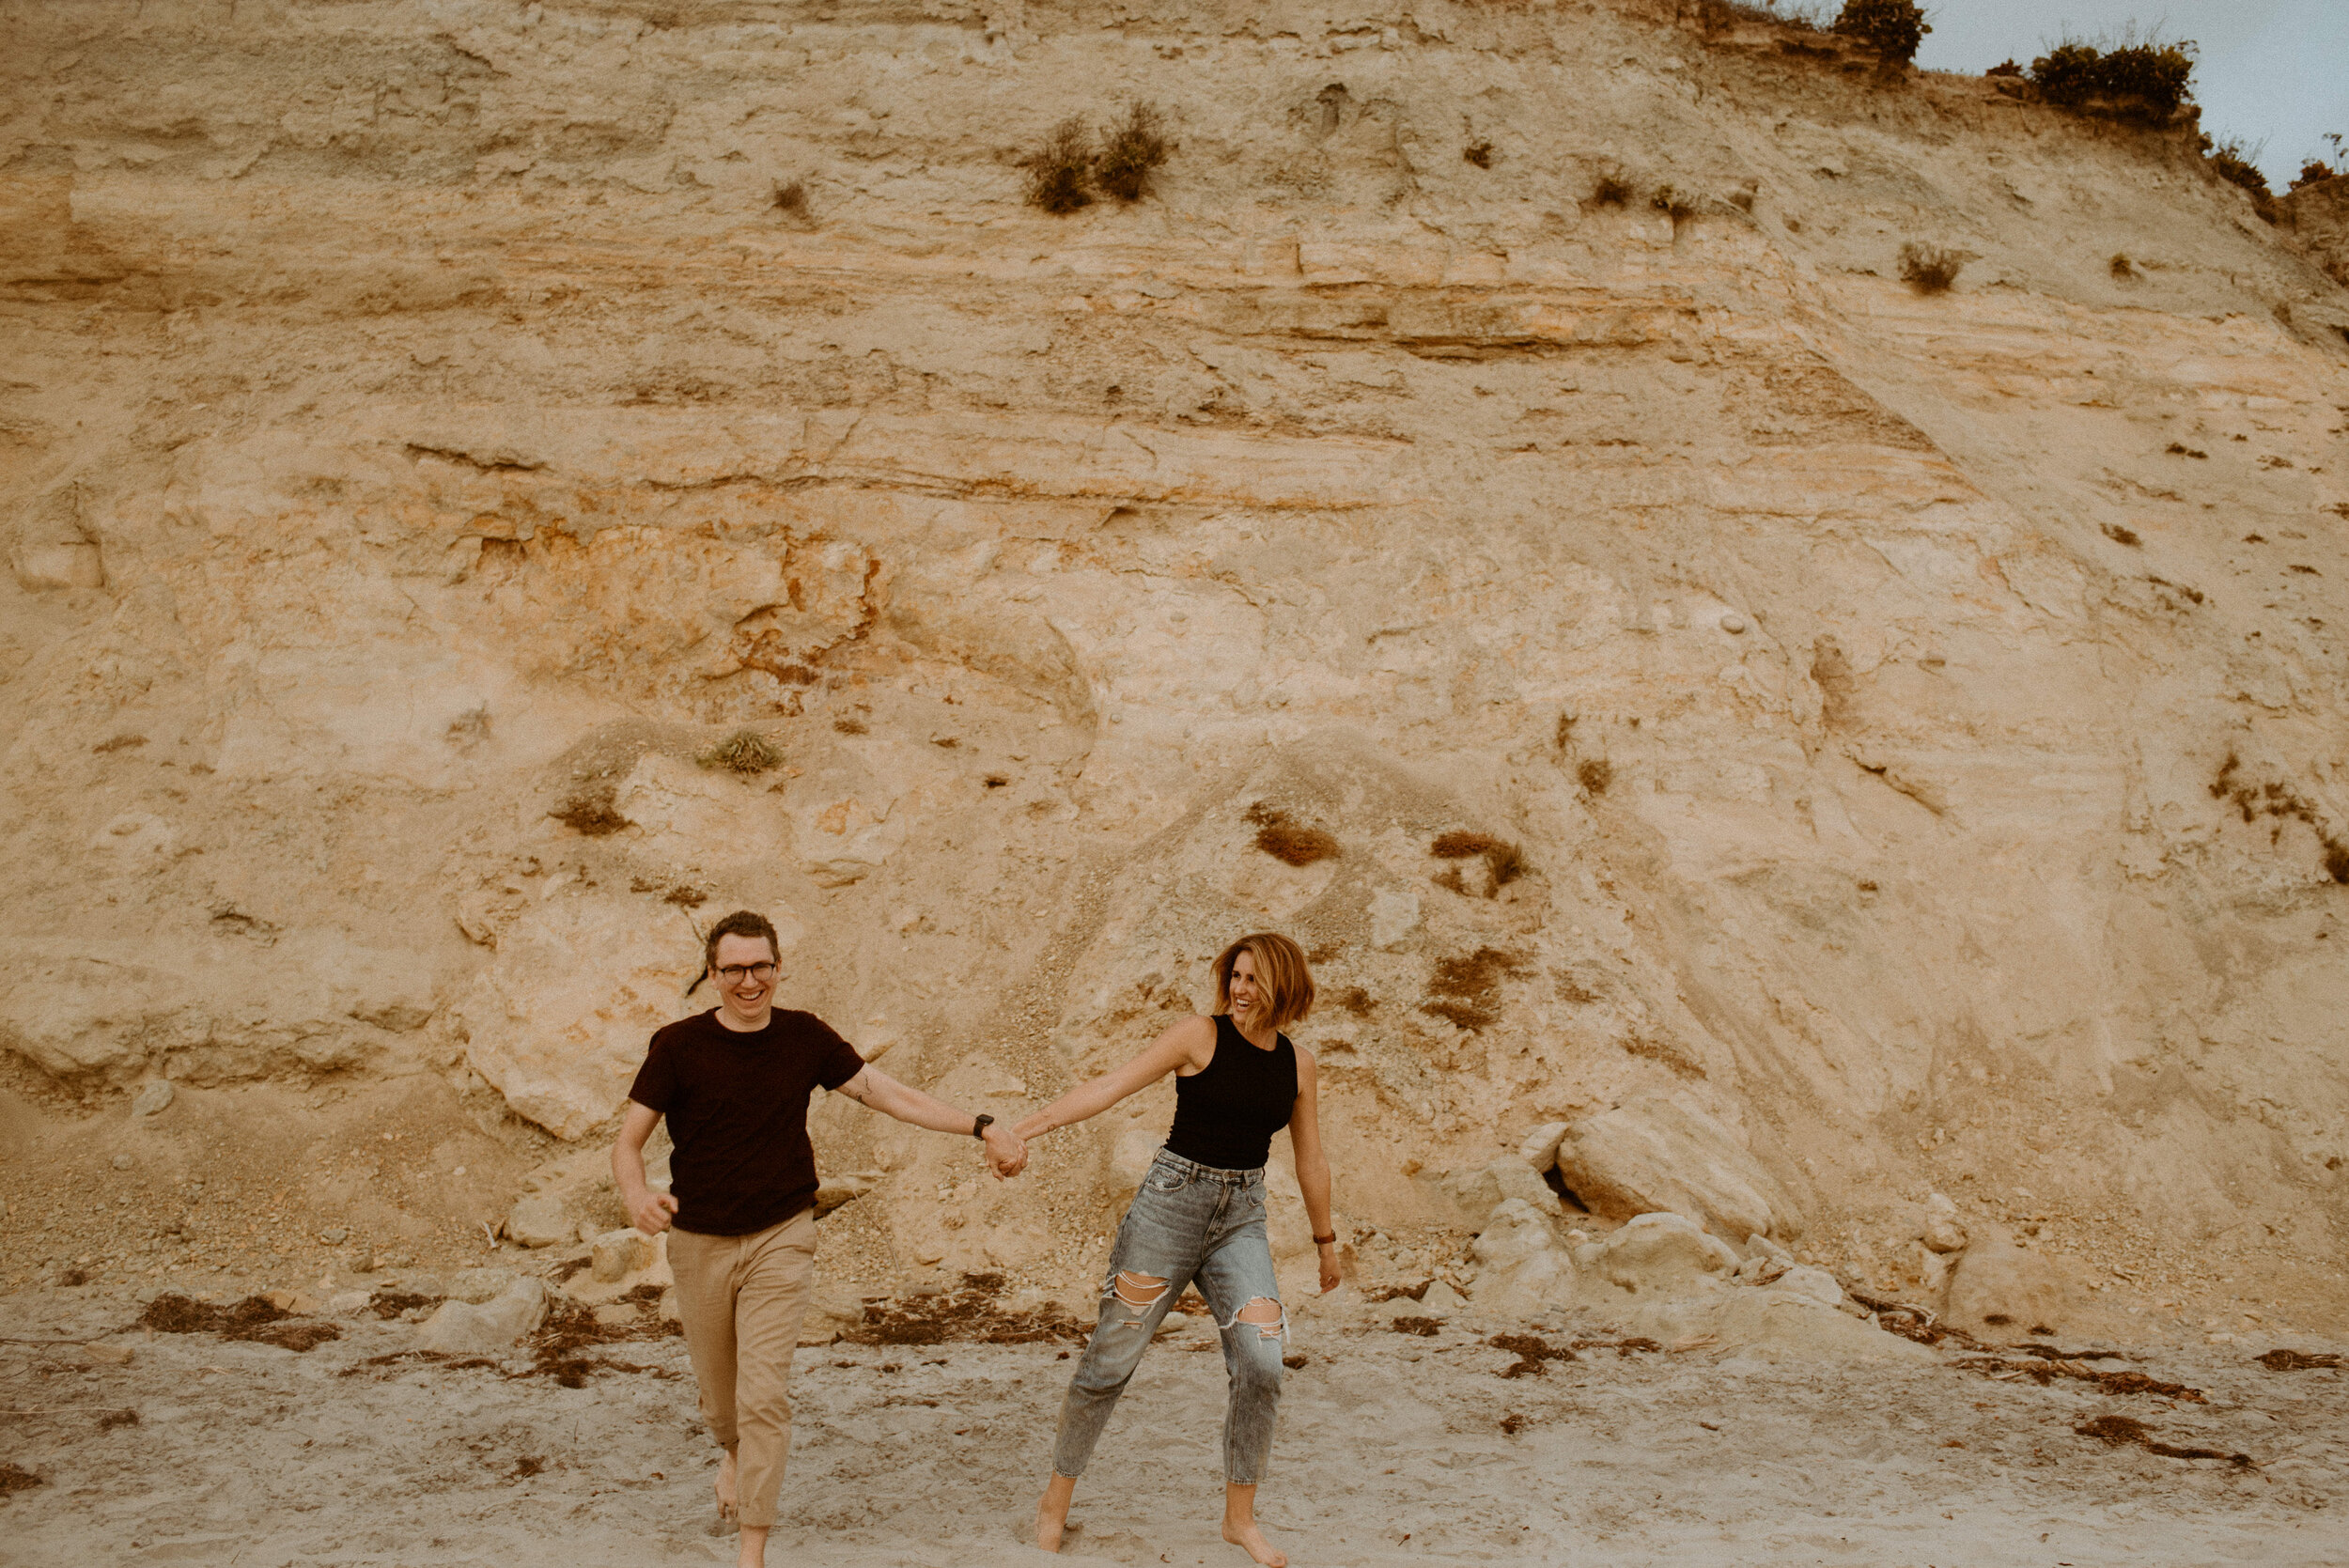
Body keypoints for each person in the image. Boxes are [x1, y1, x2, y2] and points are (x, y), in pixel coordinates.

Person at [612, 908, 1029, 1568]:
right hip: (699, 1243)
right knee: (724, 1405)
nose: (749, 980)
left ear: (778, 967)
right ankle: (730, 1452)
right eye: (734, 969)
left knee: (763, 1396)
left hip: (782, 1234)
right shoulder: (677, 1045)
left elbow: (886, 1093)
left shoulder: (804, 1037)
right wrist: (638, 1196)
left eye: (761, 966)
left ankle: (753, 1548)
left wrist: (978, 1124)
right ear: (713, 974)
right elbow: (629, 1142)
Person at [1014, 932, 1341, 1568]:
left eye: (1254, 980)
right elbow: (1110, 1086)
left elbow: (1311, 1158)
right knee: (1111, 1359)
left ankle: (1238, 1519)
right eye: (1235, 976)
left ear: (1283, 988)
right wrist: (1025, 1129)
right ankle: (1055, 1502)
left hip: (1241, 1219)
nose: (1240, 990)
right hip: (1168, 1209)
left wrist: (1326, 1243)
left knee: (1264, 1361)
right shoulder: (1199, 1035)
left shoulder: (1298, 1064)